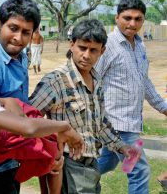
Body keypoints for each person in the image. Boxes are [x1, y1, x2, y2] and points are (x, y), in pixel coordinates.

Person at [0, 0, 66, 194]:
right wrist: (40, 146)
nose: (18, 37)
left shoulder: (17, 55)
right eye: (13, 28)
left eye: (26, 32)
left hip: (9, 159)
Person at [29, 19, 136, 194]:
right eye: (82, 48)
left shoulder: (97, 80)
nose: (86, 55)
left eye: (93, 50)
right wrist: (53, 140)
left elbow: (99, 123)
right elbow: (28, 119)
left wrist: (121, 146)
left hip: (92, 164)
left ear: (102, 51)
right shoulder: (55, 82)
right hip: (68, 163)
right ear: (72, 45)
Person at [95, 0, 167, 194]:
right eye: (127, 18)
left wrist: (163, 106)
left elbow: (144, 81)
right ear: (117, 17)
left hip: (131, 121)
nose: (132, 23)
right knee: (139, 170)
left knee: (104, 164)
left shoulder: (140, 46)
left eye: (138, 19)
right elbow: (91, 79)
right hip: (115, 122)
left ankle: (73, 180)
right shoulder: (107, 46)